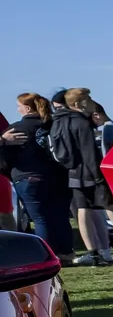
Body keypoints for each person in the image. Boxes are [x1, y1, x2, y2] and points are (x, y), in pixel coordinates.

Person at [0, 93, 72, 255]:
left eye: (19, 107)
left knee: (40, 219)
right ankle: (66, 252)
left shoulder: (16, 129)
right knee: (60, 216)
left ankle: (46, 254)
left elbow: (4, 158)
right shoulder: (54, 124)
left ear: (27, 108)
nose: (17, 110)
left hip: (28, 177)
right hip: (59, 176)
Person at [51, 89, 112, 265]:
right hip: (89, 172)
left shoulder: (59, 121)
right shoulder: (81, 122)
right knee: (107, 208)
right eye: (88, 99)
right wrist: (99, 176)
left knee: (83, 210)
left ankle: (93, 252)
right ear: (77, 104)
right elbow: (89, 153)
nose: (91, 101)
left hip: (73, 172)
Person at [80, 96, 113, 260]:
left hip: (110, 177)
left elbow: (106, 153)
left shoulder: (107, 129)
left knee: (112, 210)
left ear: (96, 115)